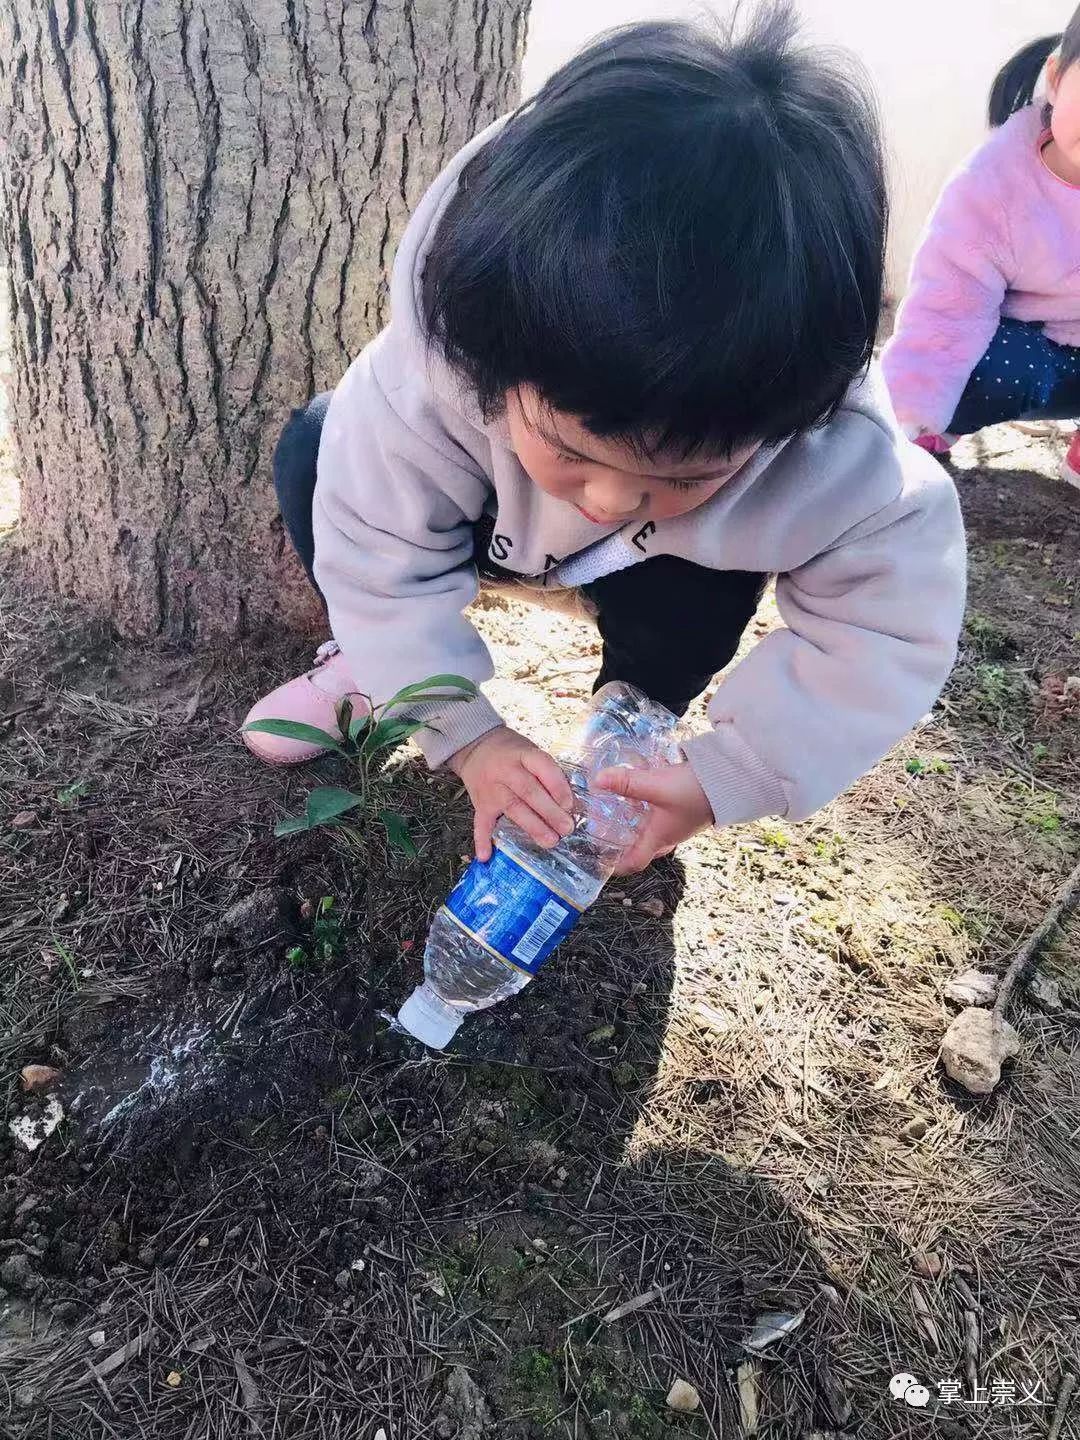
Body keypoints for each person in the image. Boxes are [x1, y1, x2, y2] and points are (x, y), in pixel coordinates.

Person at [243, 7, 965, 879]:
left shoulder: (836, 446)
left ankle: (630, 726)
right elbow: (374, 550)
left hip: (668, 575)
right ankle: (383, 674)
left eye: (688, 473)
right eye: (573, 452)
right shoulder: (430, 368)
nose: (610, 500)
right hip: (487, 533)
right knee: (317, 450)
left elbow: (883, 629)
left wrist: (722, 778)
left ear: (794, 419)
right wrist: (467, 737)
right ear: (487, 359)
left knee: (695, 600)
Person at [883, 7, 1080, 489]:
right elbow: (946, 307)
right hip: (1027, 354)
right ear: (1055, 79)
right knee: (1001, 366)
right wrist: (910, 416)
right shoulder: (992, 188)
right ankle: (934, 429)